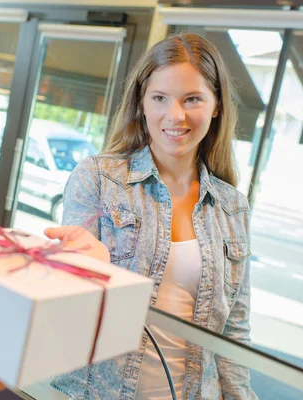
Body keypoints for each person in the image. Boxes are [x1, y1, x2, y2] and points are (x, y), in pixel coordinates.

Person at [44, 32, 257, 399]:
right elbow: (66, 309)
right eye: (160, 98)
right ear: (141, 102)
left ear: (216, 105)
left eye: (192, 99)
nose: (175, 115)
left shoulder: (233, 207)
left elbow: (234, 333)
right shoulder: (98, 178)